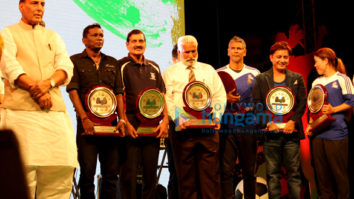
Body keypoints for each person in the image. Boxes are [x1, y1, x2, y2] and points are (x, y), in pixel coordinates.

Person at [0, 0, 77, 198]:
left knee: (60, 175)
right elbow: (10, 66)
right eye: (35, 3)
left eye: (43, 4)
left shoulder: (53, 36)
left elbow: (66, 67)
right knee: (21, 177)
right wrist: (37, 89)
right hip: (20, 115)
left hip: (55, 116)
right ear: (21, 6)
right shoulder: (7, 33)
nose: (40, 8)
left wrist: (48, 84)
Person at [66, 23, 126, 199]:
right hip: (88, 126)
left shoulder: (112, 62)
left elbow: (119, 94)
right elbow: (72, 91)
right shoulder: (74, 61)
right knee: (87, 174)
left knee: (111, 175)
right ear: (84, 39)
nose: (99, 38)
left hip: (111, 128)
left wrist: (122, 119)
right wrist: (84, 118)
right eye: (95, 35)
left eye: (101, 35)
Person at [163, 35, 227, 199]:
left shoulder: (208, 70)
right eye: (187, 52)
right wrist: (177, 118)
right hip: (182, 130)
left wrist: (218, 116)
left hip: (207, 129)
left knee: (210, 178)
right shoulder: (170, 72)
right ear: (179, 52)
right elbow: (167, 98)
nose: (191, 55)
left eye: (193, 51)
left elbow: (220, 95)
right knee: (186, 180)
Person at [118, 29, 169, 199]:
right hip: (130, 125)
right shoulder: (121, 66)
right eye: (134, 41)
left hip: (152, 128)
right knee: (129, 175)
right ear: (127, 44)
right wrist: (124, 121)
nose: (138, 44)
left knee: (150, 174)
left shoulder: (154, 66)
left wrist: (165, 122)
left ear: (145, 44)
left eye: (141, 41)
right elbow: (118, 97)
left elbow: (162, 95)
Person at [252, 41, 306, 199]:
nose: (282, 60)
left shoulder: (297, 78)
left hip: (292, 134)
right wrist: (269, 123)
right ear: (271, 58)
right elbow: (256, 104)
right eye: (279, 57)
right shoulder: (261, 79)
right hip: (271, 134)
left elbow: (302, 103)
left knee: (294, 175)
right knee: (273, 175)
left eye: (285, 57)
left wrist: (292, 122)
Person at [306, 47, 354, 199]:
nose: (315, 65)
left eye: (316, 62)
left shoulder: (342, 79)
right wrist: (310, 124)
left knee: (339, 175)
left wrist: (334, 109)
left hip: (336, 133)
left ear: (326, 61)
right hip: (318, 135)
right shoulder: (316, 81)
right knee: (322, 176)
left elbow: (351, 101)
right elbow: (312, 108)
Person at [217, 36, 260, 199]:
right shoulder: (219, 73)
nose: (236, 51)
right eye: (233, 48)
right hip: (227, 126)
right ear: (228, 51)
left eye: (239, 48)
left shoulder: (254, 73)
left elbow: (259, 100)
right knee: (226, 170)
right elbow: (212, 99)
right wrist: (225, 98)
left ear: (245, 52)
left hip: (248, 126)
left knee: (249, 170)